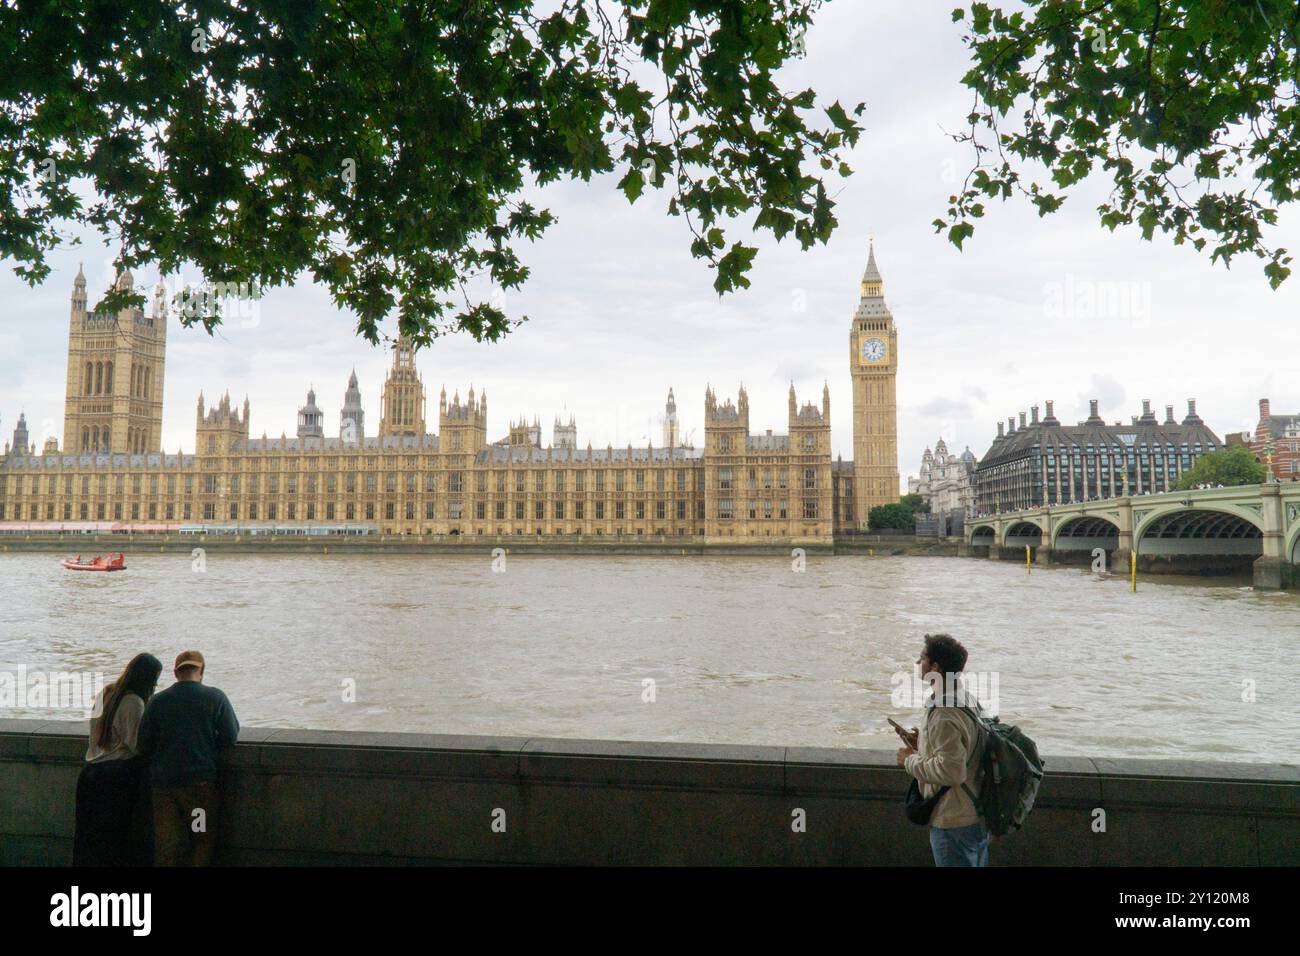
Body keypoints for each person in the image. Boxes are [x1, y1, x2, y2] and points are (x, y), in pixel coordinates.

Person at [136, 650, 240, 866]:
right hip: (199, 788)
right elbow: (230, 736)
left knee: (167, 843)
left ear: (175, 673)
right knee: (201, 839)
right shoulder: (215, 697)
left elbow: (143, 745)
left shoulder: (157, 701)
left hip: (163, 788)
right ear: (201, 671)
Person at [895, 633, 988, 867]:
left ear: (935, 667)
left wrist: (909, 760)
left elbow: (952, 771)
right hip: (975, 812)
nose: (918, 663)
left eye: (922, 658)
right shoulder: (966, 699)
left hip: (953, 820)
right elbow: (966, 751)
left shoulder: (943, 712)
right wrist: (922, 745)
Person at [73, 653, 163, 866]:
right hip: (118, 777)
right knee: (117, 838)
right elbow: (136, 745)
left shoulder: (105, 693)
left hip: (91, 773)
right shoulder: (134, 702)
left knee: (90, 836)